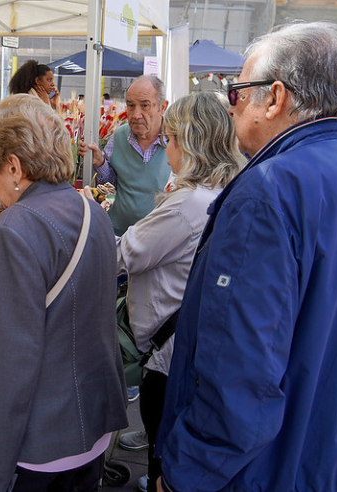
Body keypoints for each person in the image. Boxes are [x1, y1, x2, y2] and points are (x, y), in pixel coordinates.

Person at [155, 22, 337, 492]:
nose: (231, 106)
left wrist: (186, 473)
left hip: (277, 470)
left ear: (274, 98)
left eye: (237, 93)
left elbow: (238, 370)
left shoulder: (268, 191)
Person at [0, 94, 128, 492]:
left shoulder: (14, 228)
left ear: (13, 166)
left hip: (42, 440)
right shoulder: (93, 212)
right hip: (92, 423)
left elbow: (6, 363)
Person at [108, 92, 244, 492]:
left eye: (170, 138)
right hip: (189, 340)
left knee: (163, 446)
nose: (166, 146)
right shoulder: (221, 191)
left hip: (168, 355)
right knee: (169, 440)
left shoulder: (188, 203)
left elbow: (123, 255)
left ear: (191, 141)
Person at [78, 76, 171, 235]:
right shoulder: (119, 136)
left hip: (159, 241)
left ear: (162, 107)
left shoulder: (175, 142)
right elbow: (110, 187)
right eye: (130, 105)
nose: (136, 114)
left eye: (145, 106)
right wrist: (100, 163)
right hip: (119, 236)